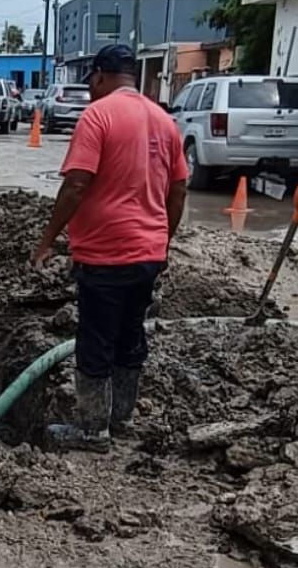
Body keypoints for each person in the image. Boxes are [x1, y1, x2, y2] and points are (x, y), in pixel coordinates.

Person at [31, 43, 188, 452]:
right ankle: (121, 419)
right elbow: (179, 187)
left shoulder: (97, 116)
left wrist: (47, 241)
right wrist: (162, 240)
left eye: (92, 82)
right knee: (130, 335)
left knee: (96, 340)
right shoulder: (163, 119)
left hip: (106, 253)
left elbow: (77, 184)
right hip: (148, 254)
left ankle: (92, 430)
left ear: (99, 76)